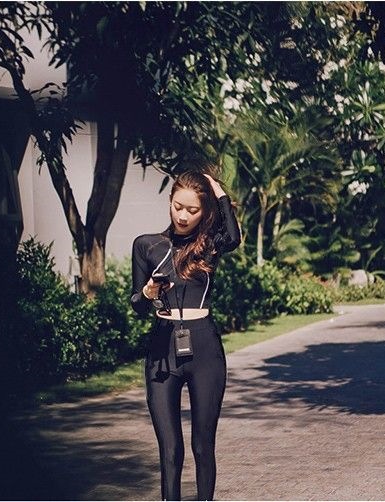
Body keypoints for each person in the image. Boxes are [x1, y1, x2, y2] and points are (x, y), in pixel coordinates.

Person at [130, 169, 242, 501]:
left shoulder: (209, 246)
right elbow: (137, 306)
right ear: (169, 201)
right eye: (178, 206)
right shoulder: (147, 245)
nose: (182, 216)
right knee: (170, 450)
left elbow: (233, 236)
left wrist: (218, 192)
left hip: (205, 349)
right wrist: (148, 292)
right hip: (162, 350)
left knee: (203, 446)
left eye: (192, 210)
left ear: (203, 212)